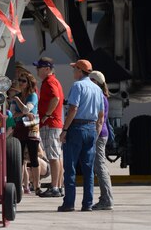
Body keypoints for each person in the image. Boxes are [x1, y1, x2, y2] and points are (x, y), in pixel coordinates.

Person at [57, 59, 104, 213]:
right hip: (91, 128)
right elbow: (101, 115)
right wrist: (96, 132)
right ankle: (87, 203)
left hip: (76, 128)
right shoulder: (97, 89)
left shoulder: (77, 86)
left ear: (79, 70)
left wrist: (65, 129)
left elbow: (73, 109)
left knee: (70, 167)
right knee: (88, 170)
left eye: (74, 69)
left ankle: (69, 203)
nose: (73, 72)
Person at [34, 56, 64, 197]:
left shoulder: (49, 82)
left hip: (50, 123)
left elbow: (55, 98)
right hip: (55, 123)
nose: (37, 70)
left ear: (47, 69)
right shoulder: (54, 81)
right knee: (57, 155)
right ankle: (58, 185)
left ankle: (55, 187)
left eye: (39, 68)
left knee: (53, 156)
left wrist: (46, 115)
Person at [9, 67, 41, 195]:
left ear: (29, 83)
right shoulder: (18, 96)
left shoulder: (32, 96)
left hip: (31, 128)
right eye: (20, 80)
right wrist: (22, 113)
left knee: (33, 158)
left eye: (23, 81)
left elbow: (27, 110)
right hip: (19, 128)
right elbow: (12, 114)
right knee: (19, 158)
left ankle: (37, 185)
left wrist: (18, 103)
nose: (20, 83)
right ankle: (22, 185)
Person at [88, 70, 113, 211]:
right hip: (101, 134)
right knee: (100, 166)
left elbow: (100, 119)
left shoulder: (100, 97)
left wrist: (94, 136)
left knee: (100, 167)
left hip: (99, 135)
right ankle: (106, 198)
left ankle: (107, 199)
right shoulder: (102, 96)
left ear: (95, 82)